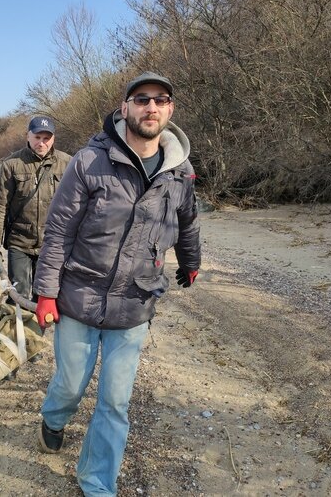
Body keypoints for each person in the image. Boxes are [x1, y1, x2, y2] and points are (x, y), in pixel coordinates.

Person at [32, 72, 201, 496]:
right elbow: (58, 230)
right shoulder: (90, 161)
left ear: (170, 111)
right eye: (141, 99)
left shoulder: (180, 172)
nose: (151, 107)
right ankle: (53, 419)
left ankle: (97, 483)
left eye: (160, 100)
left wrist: (191, 262)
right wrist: (46, 292)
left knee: (114, 402)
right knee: (71, 385)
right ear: (124, 108)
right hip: (79, 296)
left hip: (135, 302)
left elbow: (188, 222)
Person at [0, 115, 71, 302]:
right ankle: (20, 330)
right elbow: (0, 205)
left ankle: (37, 331)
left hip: (52, 244)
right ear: (28, 136)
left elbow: (75, 206)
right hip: (19, 242)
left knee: (45, 296)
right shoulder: (11, 164)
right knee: (19, 296)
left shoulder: (68, 164)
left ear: (53, 139)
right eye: (37, 137)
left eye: (46, 138)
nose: (41, 143)